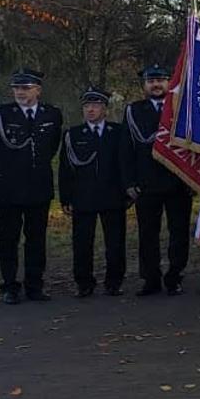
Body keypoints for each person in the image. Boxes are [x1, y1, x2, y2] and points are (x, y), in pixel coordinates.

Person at [0, 67, 63, 304]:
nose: (20, 92)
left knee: (36, 239)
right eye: (17, 88)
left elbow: (51, 147)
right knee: (8, 239)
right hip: (8, 188)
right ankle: (10, 285)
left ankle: (34, 285)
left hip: (38, 187)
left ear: (38, 90)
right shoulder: (0, 114)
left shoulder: (52, 115)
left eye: (26, 88)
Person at [123, 64, 193, 296]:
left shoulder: (181, 109)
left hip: (178, 181)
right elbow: (127, 150)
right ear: (144, 85)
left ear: (169, 83)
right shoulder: (133, 111)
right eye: (151, 81)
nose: (156, 85)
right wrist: (130, 182)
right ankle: (150, 278)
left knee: (179, 232)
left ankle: (175, 276)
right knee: (147, 234)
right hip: (147, 183)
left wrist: (194, 179)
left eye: (161, 80)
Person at [59, 87, 129, 298]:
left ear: (105, 109)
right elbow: (65, 169)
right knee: (82, 243)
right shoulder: (73, 135)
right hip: (83, 196)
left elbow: (124, 163)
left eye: (96, 105)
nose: (90, 110)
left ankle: (114, 282)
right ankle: (84, 283)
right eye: (87, 106)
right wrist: (66, 197)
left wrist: (128, 190)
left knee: (115, 243)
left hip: (112, 195)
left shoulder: (117, 132)